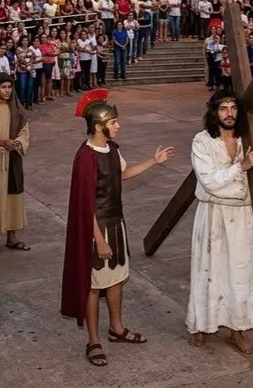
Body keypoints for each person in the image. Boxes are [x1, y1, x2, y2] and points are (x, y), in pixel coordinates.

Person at [60, 90, 174, 366]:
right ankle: (93, 340)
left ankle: (116, 328)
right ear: (99, 126)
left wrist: (153, 162)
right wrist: (98, 239)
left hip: (116, 223)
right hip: (96, 228)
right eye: (113, 123)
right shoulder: (85, 157)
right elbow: (85, 204)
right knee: (94, 285)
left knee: (116, 278)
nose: (118, 126)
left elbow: (121, 174)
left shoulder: (111, 149)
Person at [185, 88, 253, 355]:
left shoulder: (251, 140)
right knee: (207, 271)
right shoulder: (202, 141)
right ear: (215, 112)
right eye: (224, 108)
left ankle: (239, 329)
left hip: (241, 217)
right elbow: (209, 181)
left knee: (240, 273)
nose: (229, 114)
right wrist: (241, 167)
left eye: (233, 108)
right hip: (213, 214)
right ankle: (201, 325)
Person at [0, 73, 31, 250]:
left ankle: (12, 237)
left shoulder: (16, 109)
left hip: (12, 157)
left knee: (13, 195)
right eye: (3, 87)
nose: (7, 91)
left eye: (9, 87)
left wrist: (17, 142)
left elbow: (24, 131)